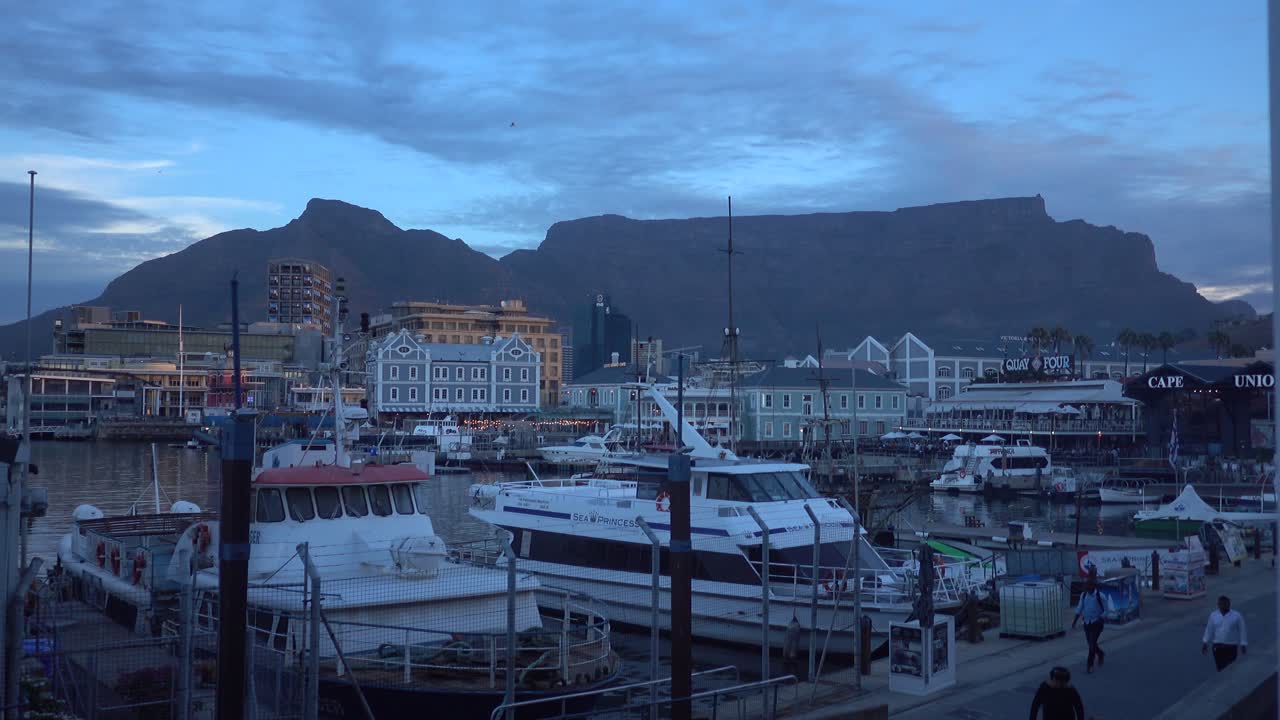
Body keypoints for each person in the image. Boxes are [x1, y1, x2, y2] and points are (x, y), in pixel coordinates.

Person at [1202, 595, 1248, 671]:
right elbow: (1209, 629)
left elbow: (1242, 630)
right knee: (1220, 668)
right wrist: (1205, 642)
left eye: (1226, 604)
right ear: (1218, 605)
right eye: (1221, 604)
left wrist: (1243, 644)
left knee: (1230, 668)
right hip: (1218, 646)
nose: (1224, 606)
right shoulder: (1213, 615)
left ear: (1229, 604)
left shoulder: (1236, 616)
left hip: (1231, 646)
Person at [1072, 579, 1106, 672]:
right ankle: (1100, 653)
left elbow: (1107, 610)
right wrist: (1074, 621)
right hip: (1087, 623)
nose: (1086, 588)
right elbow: (1079, 608)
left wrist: (1100, 618)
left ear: (1093, 587)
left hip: (1097, 624)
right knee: (1091, 643)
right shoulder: (1083, 595)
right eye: (1085, 586)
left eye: (1088, 586)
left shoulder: (1100, 596)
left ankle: (1090, 665)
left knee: (1091, 645)